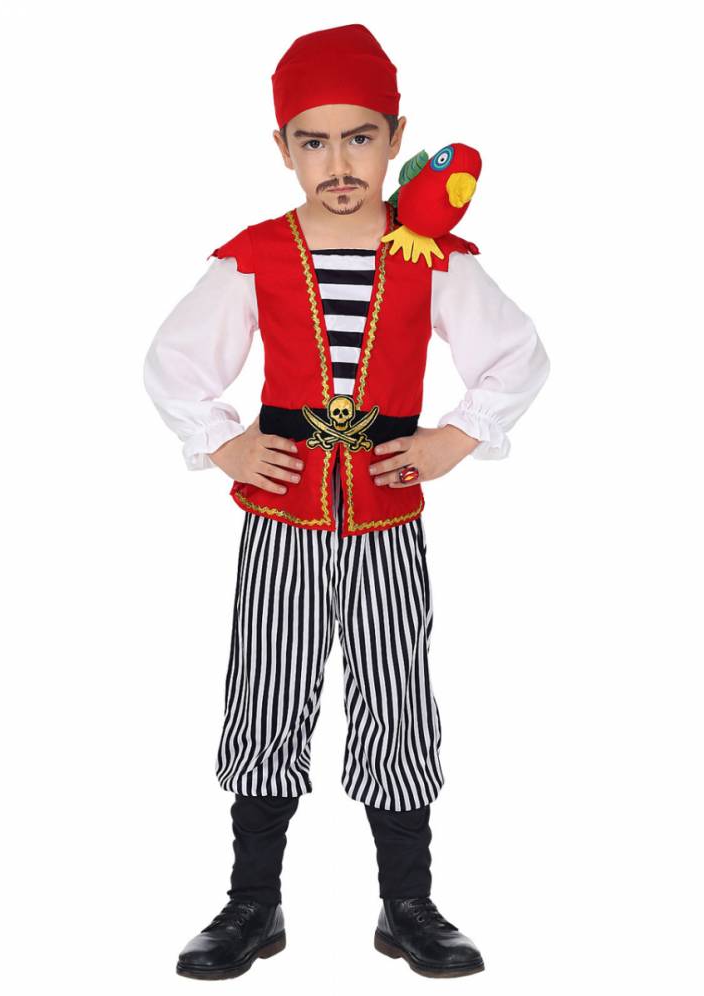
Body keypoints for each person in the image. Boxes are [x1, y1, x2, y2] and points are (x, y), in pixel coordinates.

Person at [143, 22, 550, 981]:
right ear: (282, 147)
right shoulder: (255, 256)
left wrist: (455, 436)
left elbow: (517, 353)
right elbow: (173, 362)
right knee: (267, 692)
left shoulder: (431, 256)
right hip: (280, 521)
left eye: (360, 138)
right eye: (314, 141)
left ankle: (408, 904)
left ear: (395, 137)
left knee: (397, 695)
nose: (338, 163)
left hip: (386, 521)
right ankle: (253, 902)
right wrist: (225, 441)